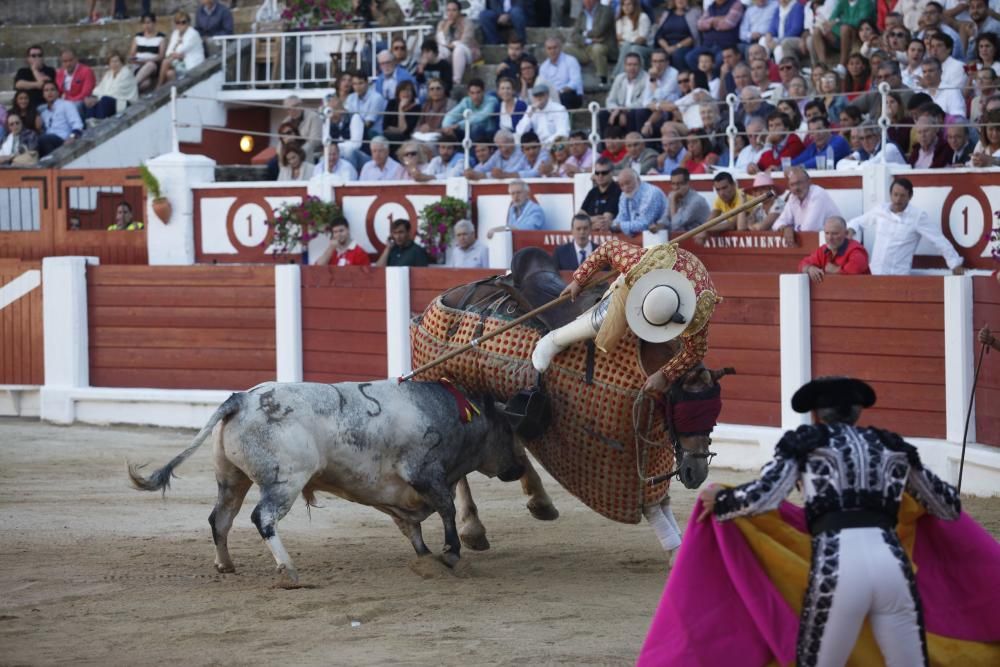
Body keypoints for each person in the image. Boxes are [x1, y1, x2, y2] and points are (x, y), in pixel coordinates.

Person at [697, 375, 961, 667]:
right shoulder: (892, 446)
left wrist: (723, 501)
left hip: (838, 567)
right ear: (858, 411)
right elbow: (947, 506)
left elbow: (765, 495)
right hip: (893, 568)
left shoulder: (806, 443)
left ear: (816, 414)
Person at [847, 177, 965, 275]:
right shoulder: (881, 210)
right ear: (890, 195)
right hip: (874, 273)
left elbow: (938, 240)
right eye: (895, 195)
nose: (898, 200)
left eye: (902, 196)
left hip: (898, 276)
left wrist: (954, 263)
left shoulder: (918, 216)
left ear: (910, 196)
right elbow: (858, 221)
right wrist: (851, 229)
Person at [772, 167, 843, 243]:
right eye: (792, 185)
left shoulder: (817, 194)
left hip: (834, 242)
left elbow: (809, 229)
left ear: (809, 182)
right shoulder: (793, 197)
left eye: (799, 183)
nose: (796, 188)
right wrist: (785, 228)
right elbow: (776, 224)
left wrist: (791, 229)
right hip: (814, 243)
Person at [798, 215, 871, 281]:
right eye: (827, 233)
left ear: (846, 233)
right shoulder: (823, 250)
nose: (830, 238)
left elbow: (854, 272)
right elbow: (802, 264)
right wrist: (809, 268)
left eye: (835, 233)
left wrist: (836, 270)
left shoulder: (856, 251)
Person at [812, 0, 875, 71]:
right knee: (817, 30)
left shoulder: (865, 2)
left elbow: (860, 21)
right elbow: (832, 19)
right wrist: (832, 29)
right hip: (841, 36)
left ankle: (842, 66)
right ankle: (822, 65)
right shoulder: (843, 2)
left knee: (844, 28)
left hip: (857, 35)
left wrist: (839, 21)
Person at [565, 0, 616, 86]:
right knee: (566, 49)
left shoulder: (606, 10)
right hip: (586, 46)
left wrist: (584, 33)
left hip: (604, 45)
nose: (585, 2)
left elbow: (599, 31)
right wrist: (588, 40)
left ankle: (603, 79)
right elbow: (574, 35)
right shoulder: (582, 13)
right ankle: (572, 77)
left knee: (597, 49)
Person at [685, 0, 744, 71]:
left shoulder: (736, 4)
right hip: (707, 46)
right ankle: (703, 79)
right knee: (690, 57)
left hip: (725, 46)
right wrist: (715, 20)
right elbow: (699, 24)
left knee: (719, 59)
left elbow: (728, 23)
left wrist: (709, 22)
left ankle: (715, 80)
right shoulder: (711, 7)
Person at [650, 167, 710, 235]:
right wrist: (658, 226)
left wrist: (673, 201)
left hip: (701, 239)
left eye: (679, 184)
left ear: (688, 183)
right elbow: (666, 218)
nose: (676, 188)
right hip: (685, 238)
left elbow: (676, 225)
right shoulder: (671, 195)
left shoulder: (696, 201)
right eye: (673, 184)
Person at [83, 52, 139, 123]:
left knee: (105, 100)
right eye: (112, 62)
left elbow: (117, 91)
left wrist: (97, 99)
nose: (114, 64)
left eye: (116, 61)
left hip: (123, 101)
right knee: (88, 101)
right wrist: (93, 97)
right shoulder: (109, 74)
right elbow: (100, 88)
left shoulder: (126, 73)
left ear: (121, 62)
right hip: (108, 99)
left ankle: (101, 122)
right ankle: (90, 122)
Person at [611, 168, 668, 235]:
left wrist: (619, 226)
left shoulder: (651, 193)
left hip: (663, 238)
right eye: (621, 185)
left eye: (628, 183)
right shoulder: (624, 194)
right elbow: (621, 217)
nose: (625, 188)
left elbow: (644, 224)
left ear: (638, 180)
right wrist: (612, 225)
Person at [435, 1, 479, 87]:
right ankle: (439, 81)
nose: (450, 13)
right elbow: (440, 41)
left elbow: (465, 40)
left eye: (454, 10)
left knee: (459, 48)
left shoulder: (467, 22)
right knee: (440, 50)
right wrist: (446, 28)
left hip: (467, 52)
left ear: (459, 12)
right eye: (448, 10)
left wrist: (452, 45)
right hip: (449, 52)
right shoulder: (442, 24)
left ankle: (456, 81)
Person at [603, 53, 650, 134]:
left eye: (635, 64)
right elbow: (610, 100)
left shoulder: (647, 78)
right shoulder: (620, 78)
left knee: (633, 114)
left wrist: (622, 110)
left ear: (640, 66)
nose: (632, 68)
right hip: (619, 111)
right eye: (629, 64)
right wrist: (617, 110)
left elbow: (642, 102)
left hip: (634, 111)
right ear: (624, 66)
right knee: (602, 114)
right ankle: (605, 145)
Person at [441, 78, 498, 144]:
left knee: (475, 127)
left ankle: (471, 153)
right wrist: (447, 127)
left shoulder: (492, 101)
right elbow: (451, 115)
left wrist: (459, 125)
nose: (475, 96)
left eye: (478, 92)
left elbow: (481, 117)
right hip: (469, 132)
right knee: (448, 132)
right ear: (468, 93)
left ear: (483, 92)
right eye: (472, 93)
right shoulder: (466, 101)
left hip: (488, 132)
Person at [37, 81, 83, 157]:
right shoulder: (44, 113)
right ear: (43, 94)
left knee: (45, 139)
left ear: (58, 92)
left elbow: (77, 124)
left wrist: (72, 137)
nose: (49, 93)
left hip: (63, 140)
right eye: (46, 90)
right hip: (48, 141)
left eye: (52, 89)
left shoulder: (66, 105)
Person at [158, 11, 204, 86]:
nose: (180, 25)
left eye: (183, 22)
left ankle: (158, 86)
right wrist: (176, 54)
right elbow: (168, 53)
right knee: (169, 73)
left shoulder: (193, 34)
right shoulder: (175, 33)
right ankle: (175, 93)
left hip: (192, 65)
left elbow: (181, 50)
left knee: (165, 62)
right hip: (181, 63)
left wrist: (176, 53)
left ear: (188, 23)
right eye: (177, 22)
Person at [654, 0, 701, 72]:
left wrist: (676, 47)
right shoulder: (667, 13)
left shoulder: (694, 12)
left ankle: (681, 78)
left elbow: (693, 36)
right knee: (658, 55)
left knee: (677, 54)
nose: (680, 1)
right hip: (666, 46)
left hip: (685, 46)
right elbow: (659, 35)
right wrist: (666, 47)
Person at [539, 37, 584, 109]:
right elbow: (543, 85)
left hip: (571, 95)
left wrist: (560, 92)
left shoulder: (571, 60)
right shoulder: (544, 67)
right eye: (549, 48)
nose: (552, 51)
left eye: (555, 48)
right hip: (552, 96)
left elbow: (575, 82)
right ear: (546, 50)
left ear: (560, 48)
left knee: (565, 96)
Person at [579, 157, 621, 230]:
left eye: (604, 173)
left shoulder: (617, 191)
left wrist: (586, 221)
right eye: (597, 173)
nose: (600, 176)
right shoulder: (593, 191)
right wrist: (592, 222)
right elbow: (578, 218)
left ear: (611, 173)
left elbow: (604, 222)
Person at [612, 0, 651, 79]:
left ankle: (618, 75)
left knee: (633, 48)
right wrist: (632, 39)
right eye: (624, 5)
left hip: (645, 47)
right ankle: (621, 75)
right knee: (627, 46)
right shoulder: (620, 19)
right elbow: (618, 38)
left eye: (629, 4)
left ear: (634, 6)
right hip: (625, 47)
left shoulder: (643, 17)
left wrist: (625, 37)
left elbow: (641, 40)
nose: (626, 7)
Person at [703, 171, 746, 241]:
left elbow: (732, 225)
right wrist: (705, 228)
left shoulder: (742, 196)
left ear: (734, 185)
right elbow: (709, 222)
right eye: (718, 190)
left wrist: (705, 230)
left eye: (724, 188)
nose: (721, 193)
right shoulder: (720, 199)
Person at [130, 13, 167, 92]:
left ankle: (130, 87)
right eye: (144, 23)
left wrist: (146, 61)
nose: (146, 25)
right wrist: (137, 60)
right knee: (145, 83)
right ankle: (132, 92)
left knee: (150, 64)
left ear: (154, 23)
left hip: (153, 66)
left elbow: (161, 56)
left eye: (148, 22)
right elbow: (132, 54)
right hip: (138, 65)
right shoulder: (138, 36)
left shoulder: (161, 37)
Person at [345, 70, 388, 138]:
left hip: (373, 134)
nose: (358, 87)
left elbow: (369, 124)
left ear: (367, 83)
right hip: (354, 133)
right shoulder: (351, 97)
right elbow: (346, 118)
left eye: (361, 83)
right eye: (355, 84)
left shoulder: (376, 98)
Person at [14, 45, 56, 112]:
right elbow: (18, 84)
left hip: (44, 104)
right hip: (27, 105)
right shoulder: (23, 71)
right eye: (33, 56)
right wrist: (37, 84)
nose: (37, 58)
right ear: (28, 58)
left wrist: (34, 70)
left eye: (39, 55)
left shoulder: (50, 70)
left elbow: (43, 86)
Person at [382, 80, 420, 144]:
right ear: (398, 93)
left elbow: (404, 130)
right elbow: (385, 127)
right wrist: (399, 130)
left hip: (407, 139)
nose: (406, 93)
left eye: (408, 90)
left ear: (413, 93)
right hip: (389, 137)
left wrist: (400, 109)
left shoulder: (417, 108)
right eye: (403, 90)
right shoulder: (392, 103)